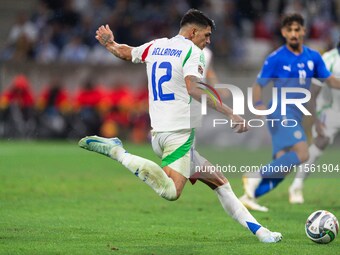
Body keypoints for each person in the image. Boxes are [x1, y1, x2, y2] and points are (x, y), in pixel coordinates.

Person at [79, 9, 282, 243]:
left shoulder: (157, 45)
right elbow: (194, 88)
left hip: (158, 134)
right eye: (206, 35)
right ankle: (118, 152)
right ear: (193, 31)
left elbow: (126, 53)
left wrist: (110, 43)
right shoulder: (193, 52)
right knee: (171, 191)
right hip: (179, 134)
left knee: (221, 183)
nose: (208, 41)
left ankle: (261, 233)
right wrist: (229, 113)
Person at [240, 13, 340, 212]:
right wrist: (258, 104)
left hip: (296, 114)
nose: (294, 34)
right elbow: (258, 85)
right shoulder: (276, 58)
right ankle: (254, 175)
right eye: (290, 30)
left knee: (284, 164)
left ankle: (248, 197)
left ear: (303, 31)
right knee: (302, 153)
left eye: (297, 29)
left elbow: (330, 81)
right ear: (284, 33)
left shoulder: (313, 57)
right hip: (280, 110)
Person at [289, 40, 340, 204]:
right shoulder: (329, 59)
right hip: (330, 110)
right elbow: (312, 91)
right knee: (321, 141)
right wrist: (316, 120)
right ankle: (296, 185)